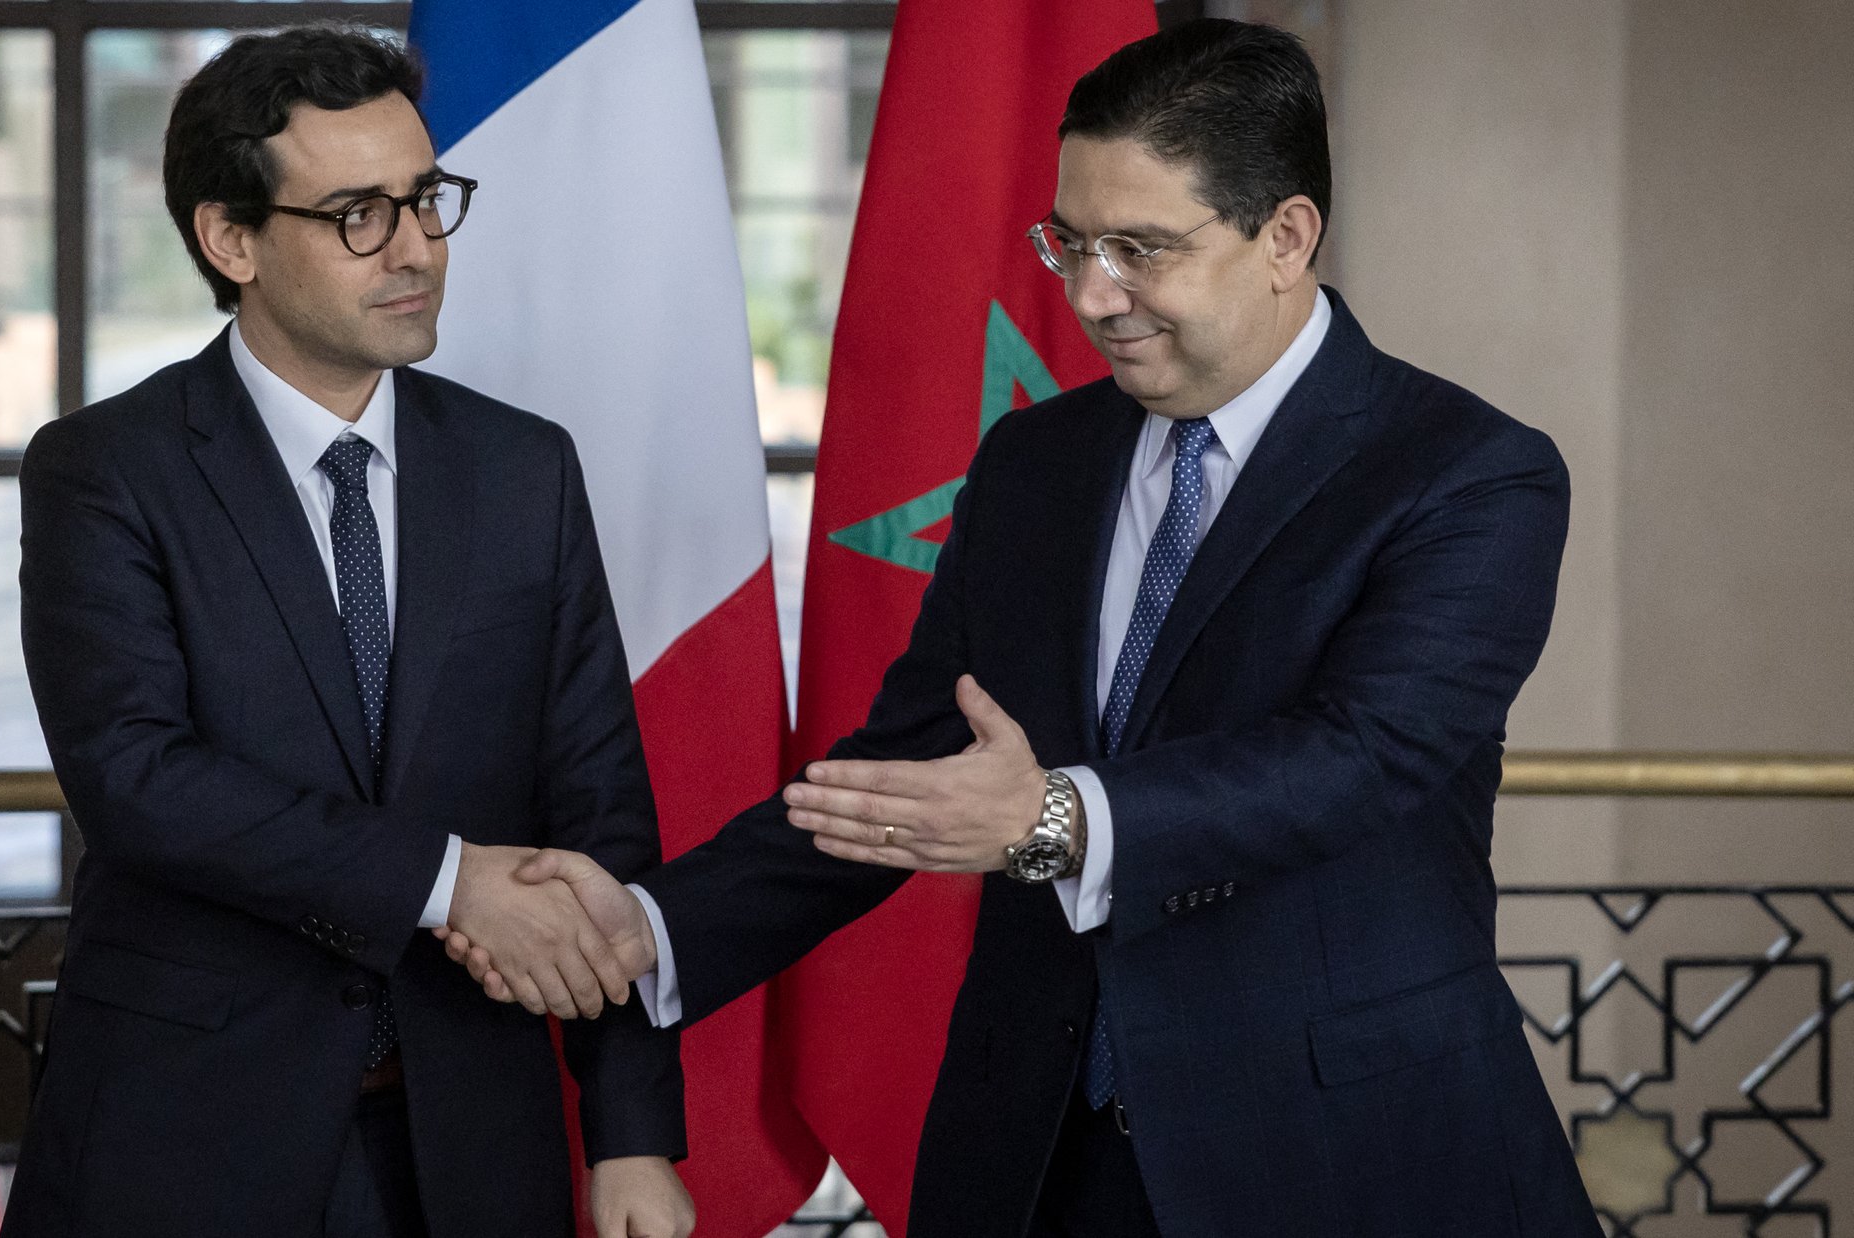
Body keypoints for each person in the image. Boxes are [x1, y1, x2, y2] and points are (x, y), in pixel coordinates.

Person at [446, 19, 1600, 1238]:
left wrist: (1053, 818)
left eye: (1139, 249)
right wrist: (650, 930)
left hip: (1343, 1154)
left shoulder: (1468, 474)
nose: (1092, 295)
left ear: (1286, 236)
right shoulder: (1034, 462)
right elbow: (903, 778)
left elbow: (1360, 755)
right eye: (1070, 243)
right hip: (1035, 1157)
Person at [2, 25, 693, 1238]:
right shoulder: (105, 470)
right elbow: (135, 777)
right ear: (232, 239)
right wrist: (446, 883)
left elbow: (600, 814)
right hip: (189, 1138)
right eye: (360, 214)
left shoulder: (522, 469)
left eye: (427, 199)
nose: (418, 247)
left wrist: (631, 1130)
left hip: (474, 1136)